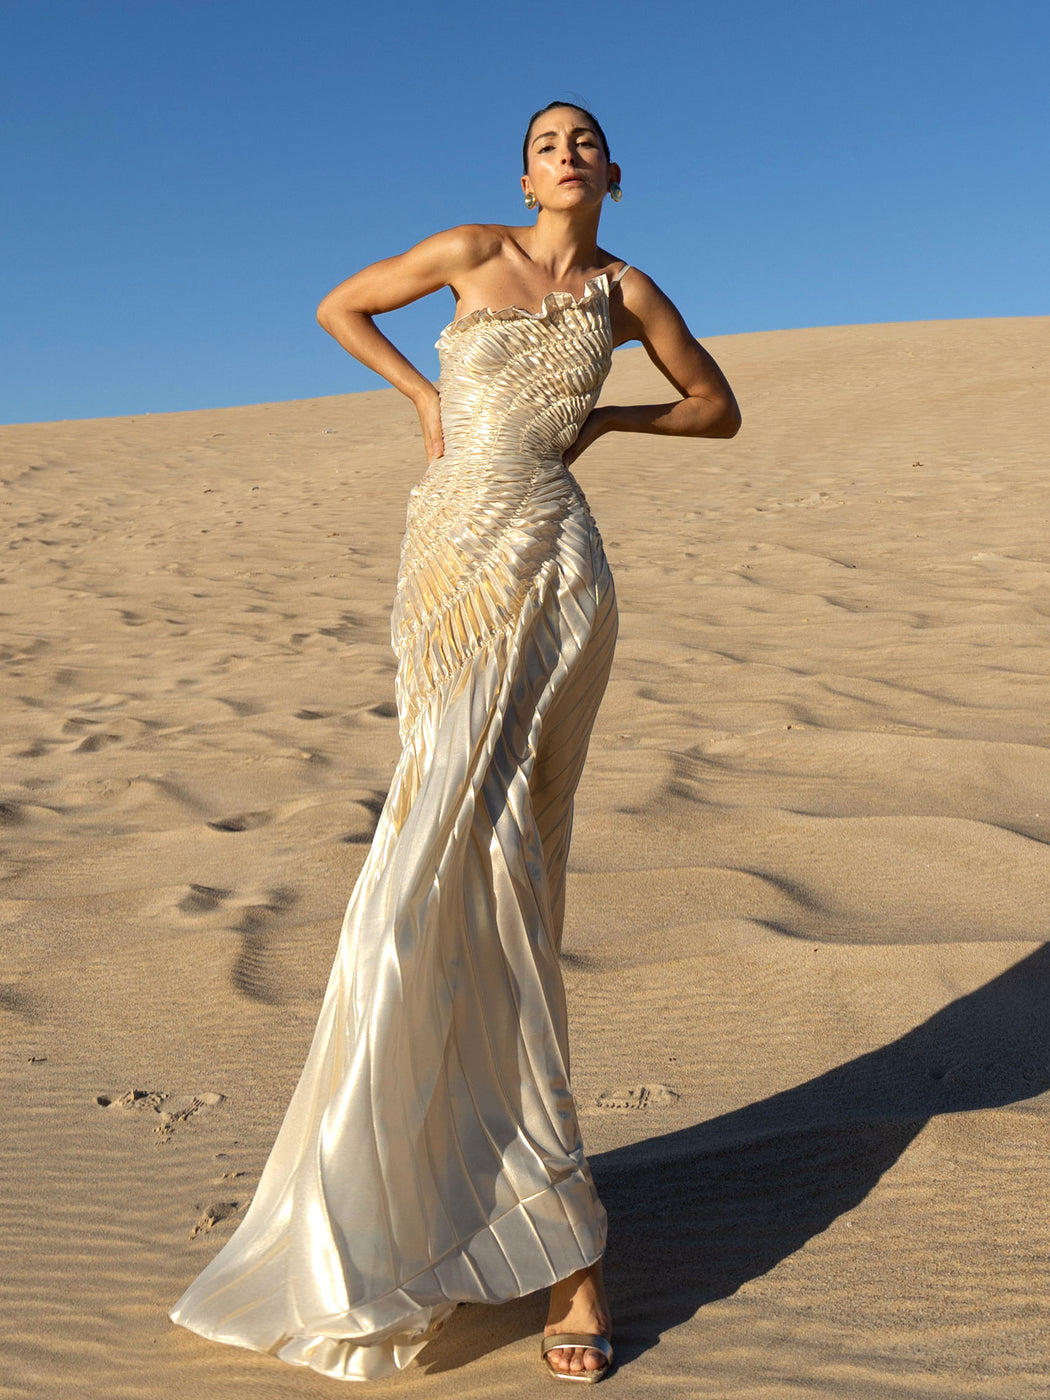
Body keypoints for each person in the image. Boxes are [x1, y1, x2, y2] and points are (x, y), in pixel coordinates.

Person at [169, 100, 740, 1386]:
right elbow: (337, 307)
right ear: (522, 171)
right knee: (432, 862)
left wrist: (605, 425)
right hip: (451, 555)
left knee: (522, 874)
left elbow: (717, 408)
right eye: (547, 141)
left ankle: (568, 1242)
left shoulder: (626, 286)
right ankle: (443, 1188)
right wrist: (426, 394)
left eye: (586, 139)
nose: (567, 154)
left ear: (614, 169)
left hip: (558, 561)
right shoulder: (468, 249)